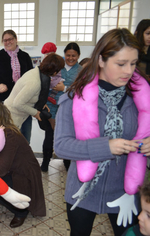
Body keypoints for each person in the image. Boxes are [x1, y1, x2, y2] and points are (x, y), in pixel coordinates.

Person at [54, 28, 150, 236]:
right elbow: (61, 146)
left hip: (125, 192)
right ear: (101, 61)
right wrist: (105, 147)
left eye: (133, 64)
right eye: (121, 64)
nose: (129, 71)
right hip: (82, 192)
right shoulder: (74, 98)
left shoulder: (141, 99)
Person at [0, 29, 33, 142]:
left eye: (10, 39)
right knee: (6, 136)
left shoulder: (25, 56)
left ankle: (24, 158)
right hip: (5, 101)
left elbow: (31, 75)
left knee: (25, 136)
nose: (8, 42)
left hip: (24, 100)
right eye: (5, 40)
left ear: (16, 39)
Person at [3, 53, 65, 142]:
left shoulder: (38, 73)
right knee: (14, 148)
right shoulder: (35, 82)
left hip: (22, 114)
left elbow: (31, 96)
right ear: (54, 72)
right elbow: (17, 103)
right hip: (12, 117)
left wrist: (40, 104)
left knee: (24, 145)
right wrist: (36, 113)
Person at [41, 42, 82, 172]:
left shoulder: (81, 71)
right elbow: (45, 82)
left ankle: (67, 163)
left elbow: (83, 90)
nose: (70, 58)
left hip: (69, 108)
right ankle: (45, 162)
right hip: (50, 107)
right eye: (68, 55)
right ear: (64, 54)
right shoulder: (58, 66)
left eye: (74, 55)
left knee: (67, 136)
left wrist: (64, 88)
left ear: (78, 56)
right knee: (49, 135)